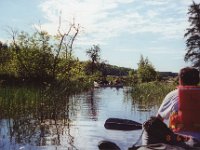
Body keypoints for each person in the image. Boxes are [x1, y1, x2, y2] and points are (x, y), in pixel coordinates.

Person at [142, 67, 200, 148]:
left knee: (149, 125)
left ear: (180, 80)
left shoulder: (173, 95)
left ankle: (148, 148)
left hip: (180, 142)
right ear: (197, 80)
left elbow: (158, 121)